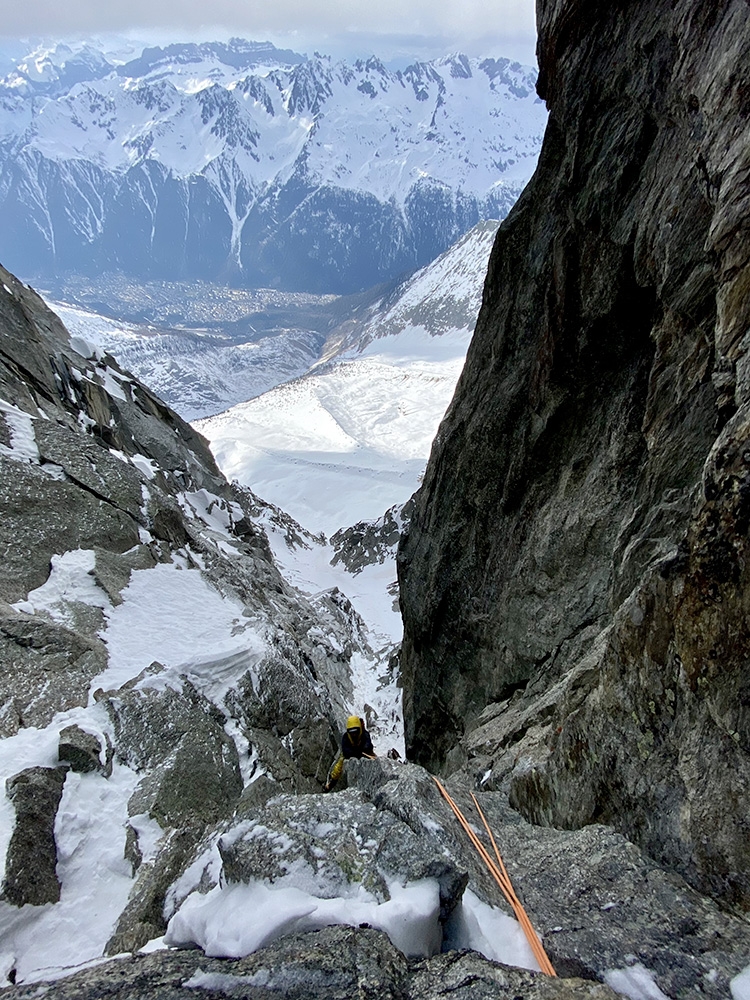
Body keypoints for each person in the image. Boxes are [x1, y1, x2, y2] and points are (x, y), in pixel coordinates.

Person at [324, 715, 375, 790]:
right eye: (352, 732)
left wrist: (362, 749)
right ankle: (331, 783)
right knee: (338, 767)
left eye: (355, 732)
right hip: (353, 753)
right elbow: (345, 750)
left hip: (364, 753)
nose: (354, 734)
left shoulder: (364, 734)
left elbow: (369, 745)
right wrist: (355, 752)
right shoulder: (346, 737)